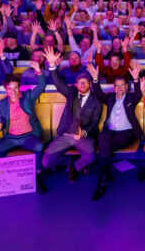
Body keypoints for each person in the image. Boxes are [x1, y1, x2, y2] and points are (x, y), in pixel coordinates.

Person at [41, 47, 102, 185]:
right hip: (66, 133)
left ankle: (75, 167)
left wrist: (84, 133)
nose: (82, 84)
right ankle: (69, 162)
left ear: (90, 84)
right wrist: (52, 65)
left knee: (90, 156)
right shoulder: (71, 92)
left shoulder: (96, 99)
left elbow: (95, 121)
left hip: (84, 136)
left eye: (85, 82)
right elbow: (58, 83)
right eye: (79, 82)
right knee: (46, 161)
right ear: (76, 84)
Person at [88, 62, 144, 200]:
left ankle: (102, 182)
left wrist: (136, 79)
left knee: (103, 149)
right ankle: (105, 175)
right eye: (117, 86)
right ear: (114, 87)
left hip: (126, 133)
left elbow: (138, 93)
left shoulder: (131, 98)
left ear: (126, 87)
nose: (119, 88)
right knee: (103, 137)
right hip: (110, 132)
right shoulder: (110, 98)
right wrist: (95, 79)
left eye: (122, 86)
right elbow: (99, 94)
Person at [0, 68, 48, 194]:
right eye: (9, 88)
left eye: (15, 88)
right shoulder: (1, 104)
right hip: (10, 138)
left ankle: (37, 176)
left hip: (28, 136)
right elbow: (1, 124)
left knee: (39, 146)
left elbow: (42, 85)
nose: (13, 91)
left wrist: (39, 72)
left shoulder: (28, 97)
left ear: (19, 87)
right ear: (5, 89)